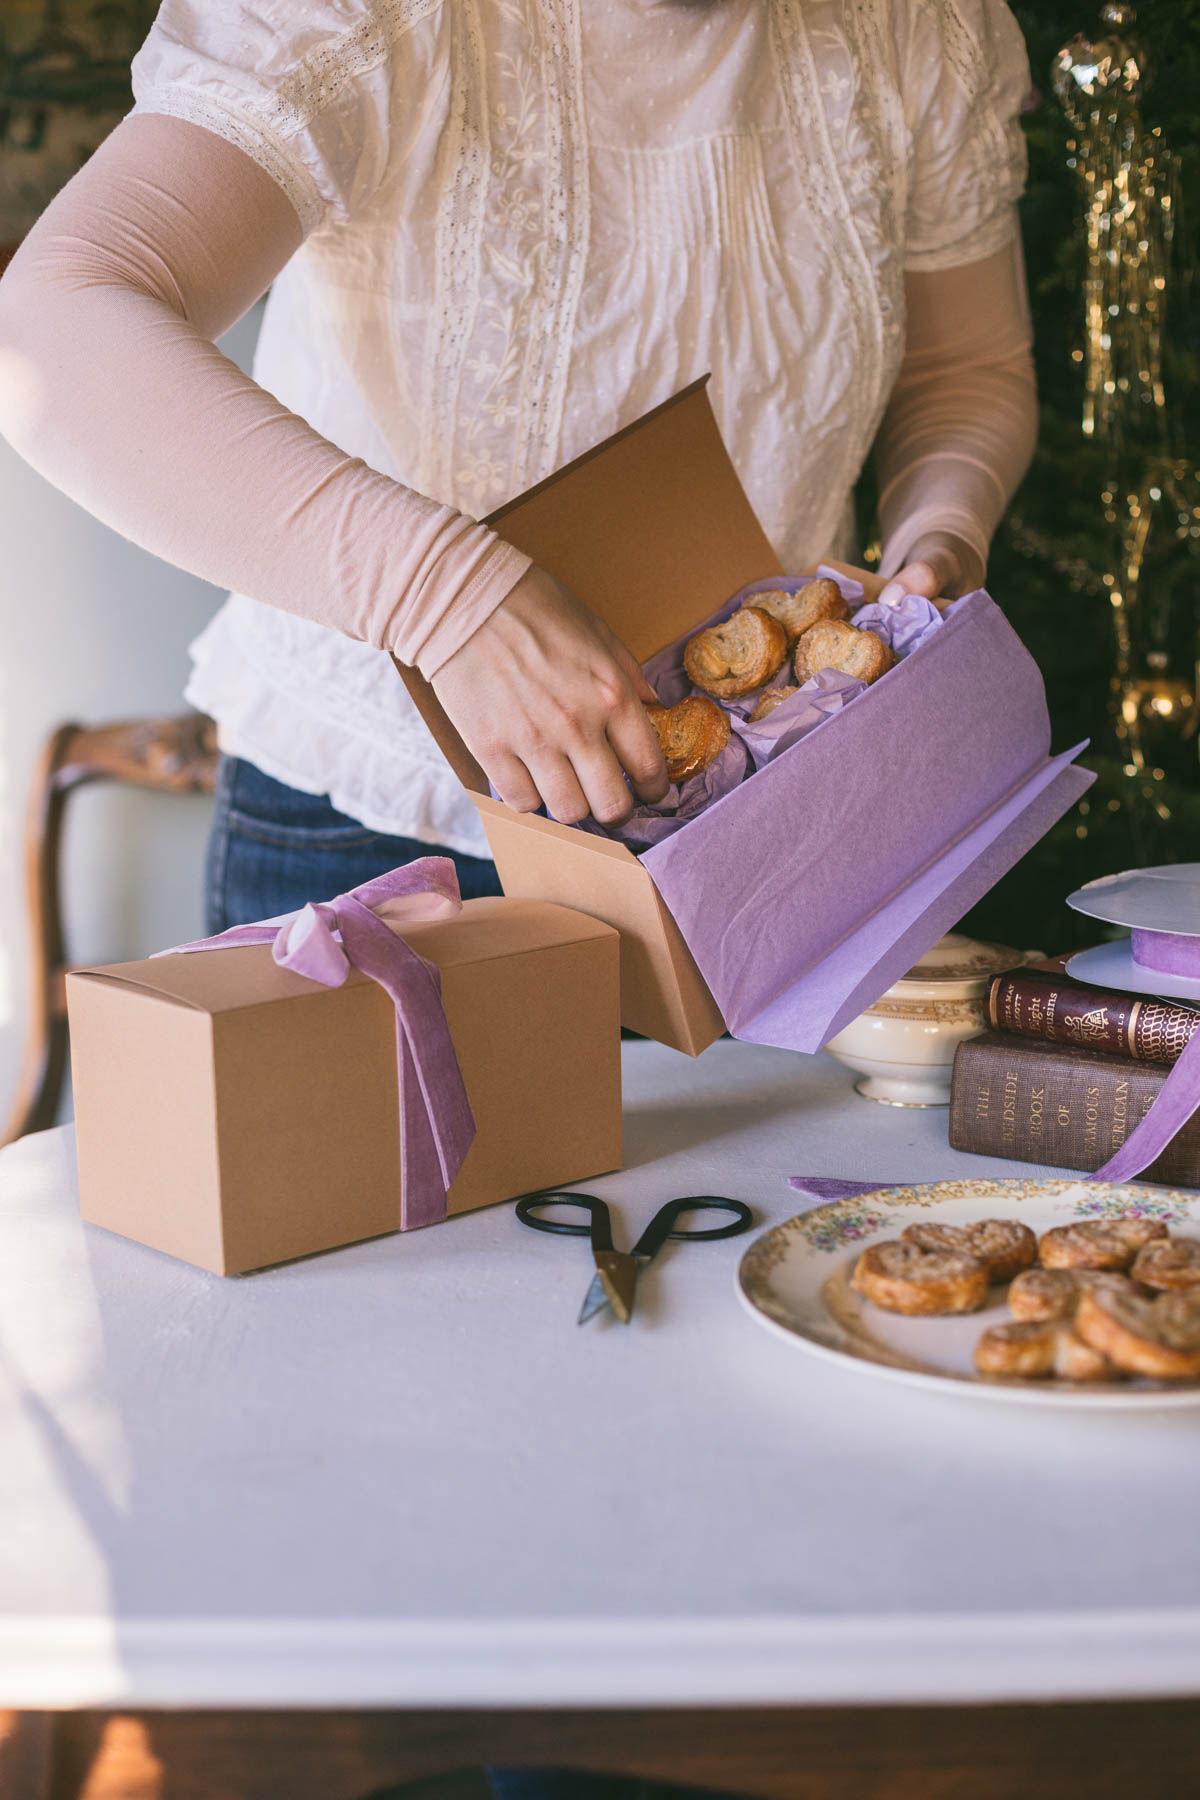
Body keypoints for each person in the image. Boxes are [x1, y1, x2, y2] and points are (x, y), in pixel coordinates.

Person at [0, 2, 1036, 1794]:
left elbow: (966, 382)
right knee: (324, 1553)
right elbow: (55, 327)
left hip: (740, 858)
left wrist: (936, 544)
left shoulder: (916, 26)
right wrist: (451, 595)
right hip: (367, 853)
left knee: (666, 1536)